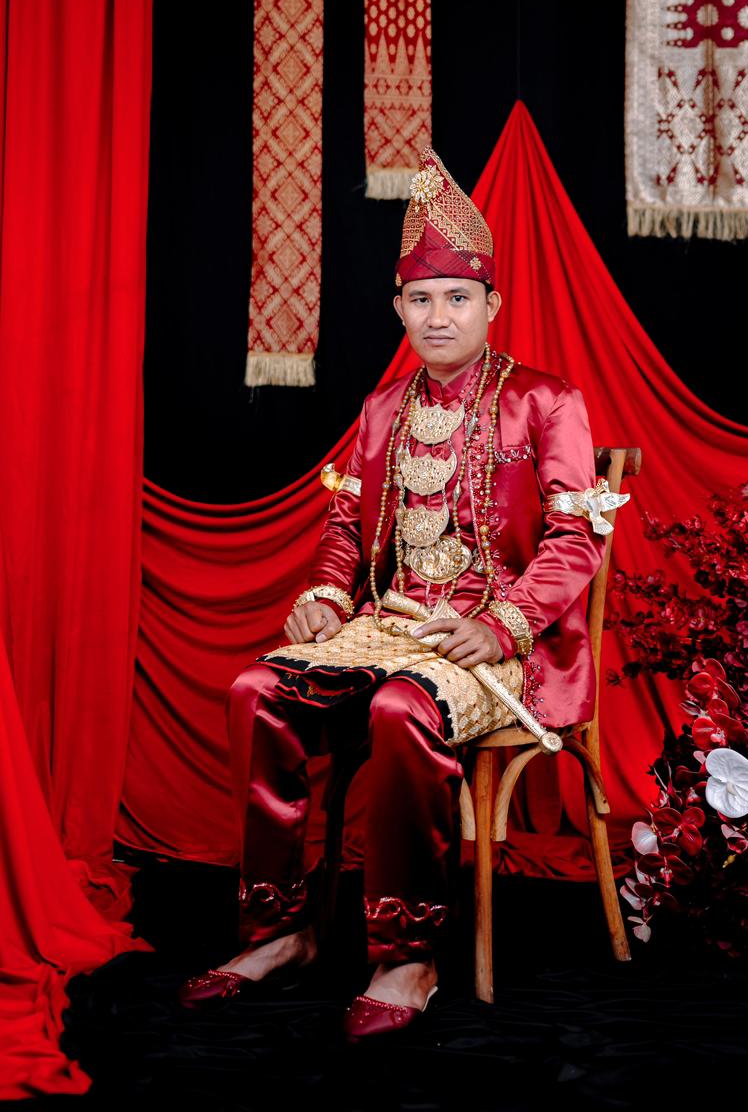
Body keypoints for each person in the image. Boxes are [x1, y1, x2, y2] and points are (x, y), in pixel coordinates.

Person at [179, 147, 609, 1039]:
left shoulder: (547, 401)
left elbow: (577, 540)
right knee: (255, 689)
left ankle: (408, 953)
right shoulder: (382, 410)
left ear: (492, 305)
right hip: (388, 627)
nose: (438, 316)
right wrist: (327, 598)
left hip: (507, 644)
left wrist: (504, 623)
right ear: (398, 310)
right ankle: (279, 932)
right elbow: (345, 528)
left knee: (399, 708)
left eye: (458, 298)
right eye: (421, 299)